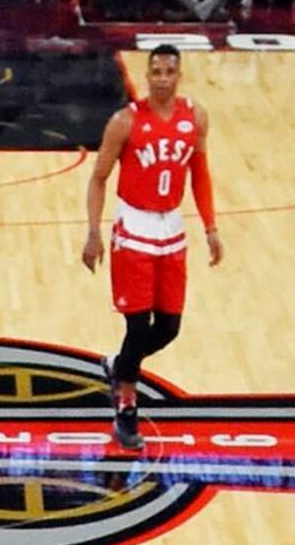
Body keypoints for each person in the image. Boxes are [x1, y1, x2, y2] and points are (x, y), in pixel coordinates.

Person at [78, 43, 220, 449]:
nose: (161, 79)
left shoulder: (195, 118)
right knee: (138, 327)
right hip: (134, 227)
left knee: (169, 328)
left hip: (172, 229)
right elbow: (98, 178)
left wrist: (210, 227)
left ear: (179, 75)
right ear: (147, 75)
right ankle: (126, 406)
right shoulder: (125, 121)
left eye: (168, 72)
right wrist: (93, 231)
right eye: (155, 71)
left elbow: (200, 174)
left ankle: (117, 365)